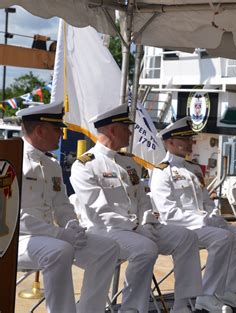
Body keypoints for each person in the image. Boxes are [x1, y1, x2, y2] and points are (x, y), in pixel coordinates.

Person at [70, 105, 202, 313]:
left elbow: (142, 199)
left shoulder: (128, 162)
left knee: (186, 237)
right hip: (106, 230)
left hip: (139, 227)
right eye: (126, 128)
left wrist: (147, 222)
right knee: (145, 248)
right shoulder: (85, 165)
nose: (131, 133)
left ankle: (182, 303)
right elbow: (99, 210)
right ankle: (131, 308)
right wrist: (135, 226)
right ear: (113, 130)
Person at [16, 101, 120, 313]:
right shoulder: (12, 159)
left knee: (107, 248)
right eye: (56, 129)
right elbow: (16, 216)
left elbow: (61, 204)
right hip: (17, 240)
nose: (60, 135)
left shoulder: (51, 164)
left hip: (49, 237)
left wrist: (72, 224)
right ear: (39, 130)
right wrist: (59, 234)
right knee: (60, 251)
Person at [150, 117, 236, 313]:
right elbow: (169, 212)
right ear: (170, 142)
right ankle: (206, 296)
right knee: (222, 238)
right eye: (185, 139)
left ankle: (228, 290)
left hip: (205, 223)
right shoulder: (161, 172)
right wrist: (204, 219)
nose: (191, 142)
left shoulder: (194, 169)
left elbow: (206, 200)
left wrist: (213, 214)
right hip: (181, 227)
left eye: (191, 138)